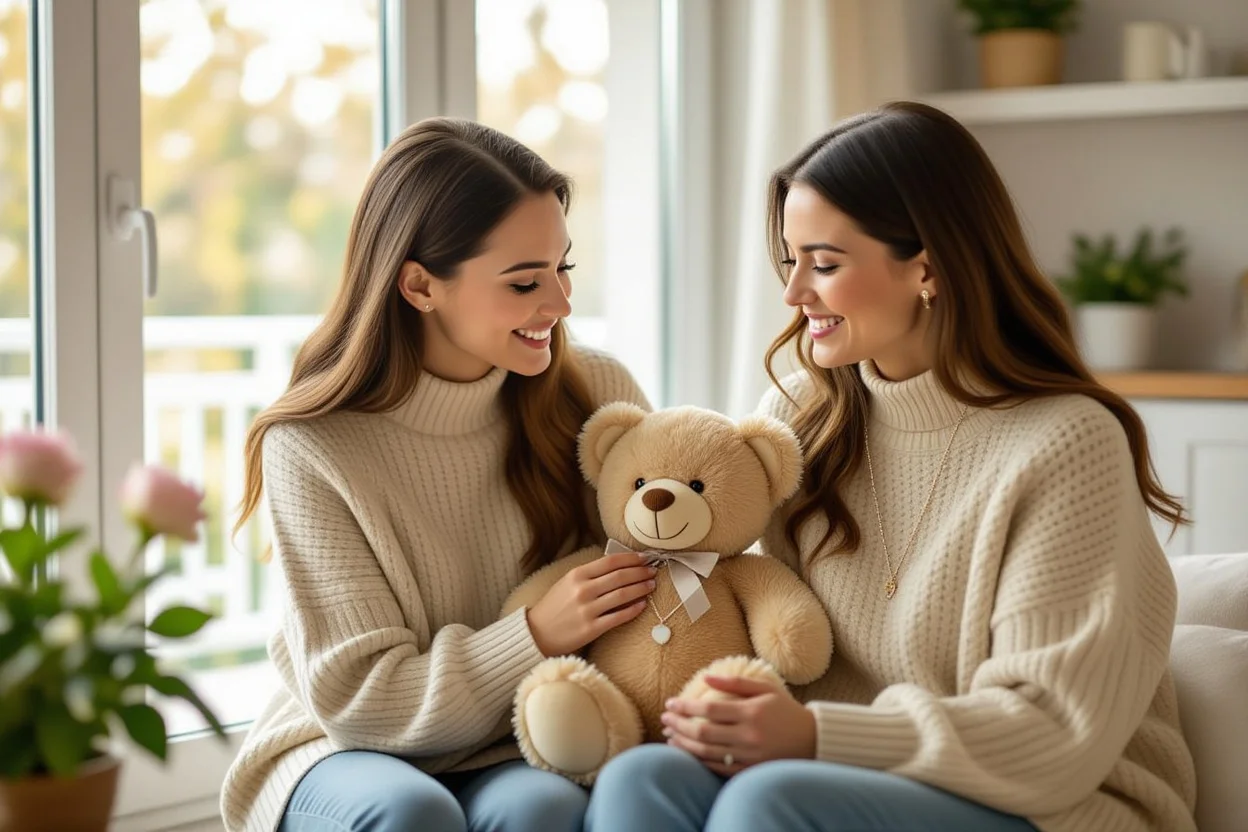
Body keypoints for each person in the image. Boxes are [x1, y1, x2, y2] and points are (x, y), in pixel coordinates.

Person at [585, 101, 1198, 832]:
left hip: (1052, 805)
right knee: (642, 778)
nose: (793, 293)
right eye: (791, 260)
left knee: (766, 802)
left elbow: (1053, 733)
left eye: (826, 264)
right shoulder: (802, 419)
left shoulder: (1065, 443)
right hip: (832, 780)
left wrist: (817, 736)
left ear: (927, 268)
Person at [219, 118, 658, 832]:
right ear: (420, 286)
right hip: (342, 745)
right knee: (412, 813)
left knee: (544, 809)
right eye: (524, 282)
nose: (560, 305)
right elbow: (363, 702)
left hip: (520, 732)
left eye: (563, 269)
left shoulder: (597, 395)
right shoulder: (311, 444)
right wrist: (535, 633)